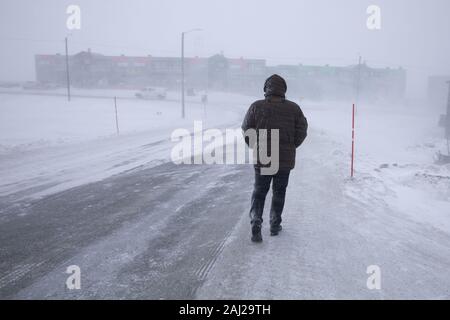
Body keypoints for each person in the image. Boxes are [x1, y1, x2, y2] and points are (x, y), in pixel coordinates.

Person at [241, 74, 308, 242]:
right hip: (284, 159)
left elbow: (246, 128)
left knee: (259, 191)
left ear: (266, 89)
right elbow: (302, 130)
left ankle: (256, 221)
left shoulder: (256, 106)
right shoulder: (294, 108)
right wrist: (291, 146)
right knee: (279, 191)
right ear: (284, 89)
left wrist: (255, 146)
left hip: (263, 156)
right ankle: (274, 224)